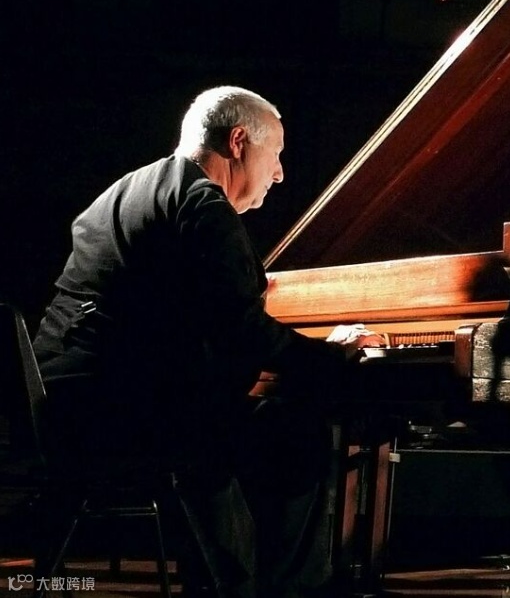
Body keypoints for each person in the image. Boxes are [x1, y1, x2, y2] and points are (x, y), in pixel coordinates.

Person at [32, 85, 383, 598]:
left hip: (62, 410)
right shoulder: (202, 206)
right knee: (297, 430)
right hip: (119, 419)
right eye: (276, 154)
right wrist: (332, 353)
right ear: (238, 141)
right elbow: (242, 332)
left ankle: (226, 576)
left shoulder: (125, 191)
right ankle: (275, 590)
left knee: (245, 419)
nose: (280, 174)